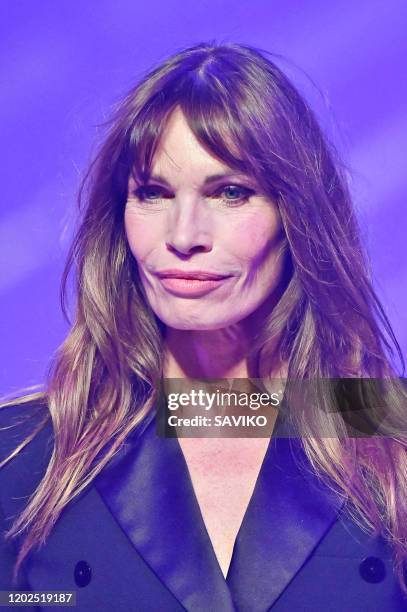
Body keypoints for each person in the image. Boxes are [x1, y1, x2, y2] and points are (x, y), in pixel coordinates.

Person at [0, 42, 406, 611]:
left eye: (230, 193)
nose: (184, 235)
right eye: (153, 193)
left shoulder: (392, 436)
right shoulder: (22, 454)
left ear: (298, 218)